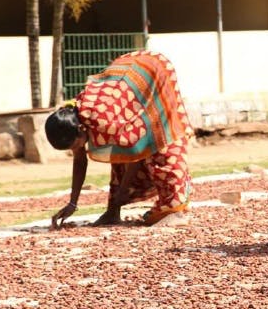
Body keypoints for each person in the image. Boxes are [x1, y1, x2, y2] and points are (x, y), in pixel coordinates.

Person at [45, 50, 193, 229]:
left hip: (154, 71)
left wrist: (124, 190)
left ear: (81, 129)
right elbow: (80, 160)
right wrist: (72, 204)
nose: (77, 149)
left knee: (162, 147)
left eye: (76, 145)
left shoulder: (104, 118)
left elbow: (136, 153)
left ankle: (176, 211)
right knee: (118, 154)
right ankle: (112, 212)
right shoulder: (76, 117)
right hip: (130, 77)